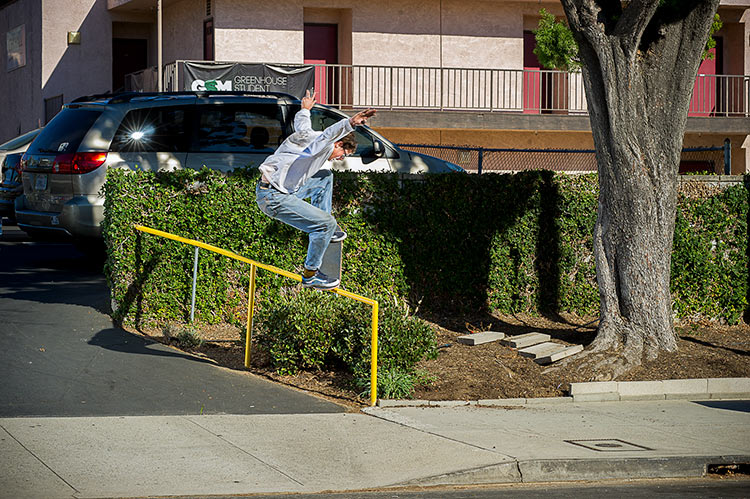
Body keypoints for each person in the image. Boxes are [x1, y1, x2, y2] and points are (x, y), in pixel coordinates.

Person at [255, 90, 376, 290]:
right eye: (342, 154)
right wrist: (350, 123)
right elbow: (328, 136)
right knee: (326, 224)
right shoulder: (321, 145)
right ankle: (311, 274)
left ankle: (324, 227)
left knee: (325, 177)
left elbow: (302, 124)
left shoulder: (309, 135)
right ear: (338, 144)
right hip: (274, 198)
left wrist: (305, 109)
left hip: (279, 190)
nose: (339, 159)